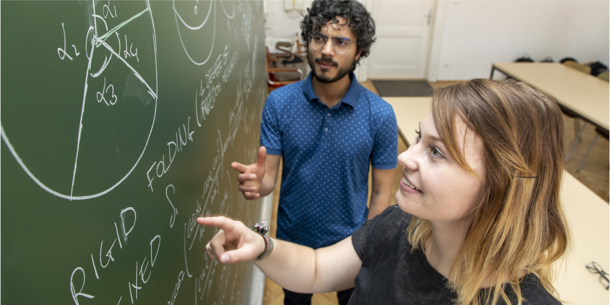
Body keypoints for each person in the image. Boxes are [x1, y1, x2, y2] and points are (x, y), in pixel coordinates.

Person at [201, 79, 571, 305]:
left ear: (501, 184)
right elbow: (316, 270)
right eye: (418, 139)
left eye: (436, 152)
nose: (404, 157)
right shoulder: (401, 226)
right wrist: (261, 246)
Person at [231, 0, 397, 304]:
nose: (326, 50)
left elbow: (382, 194)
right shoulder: (280, 103)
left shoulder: (380, 115)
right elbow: (268, 179)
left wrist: (369, 246)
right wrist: (257, 184)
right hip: (294, 239)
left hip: (352, 242)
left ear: (359, 51)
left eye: (341, 41)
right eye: (318, 38)